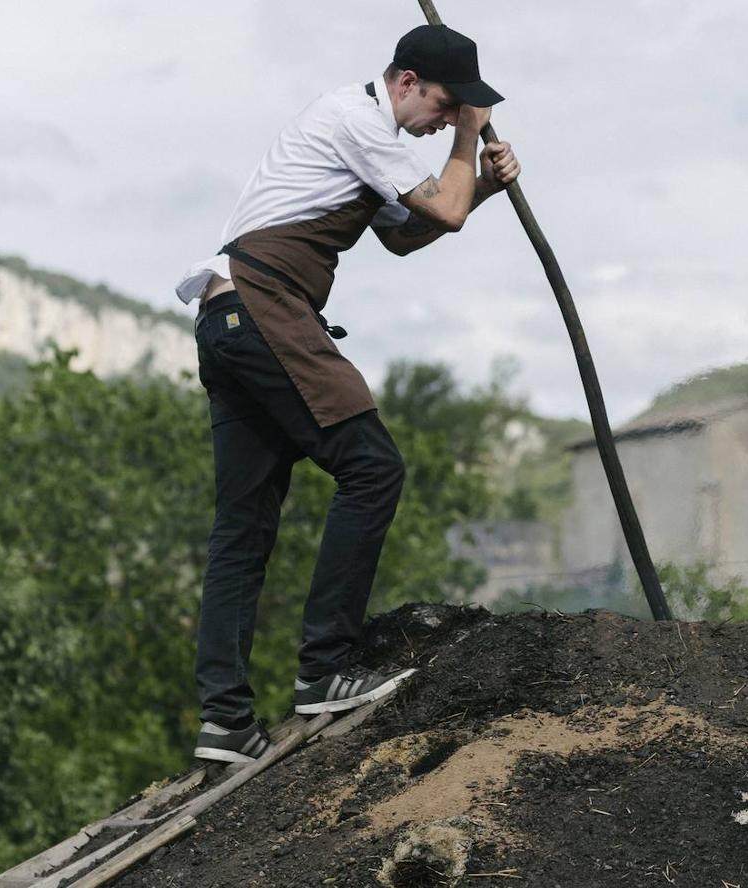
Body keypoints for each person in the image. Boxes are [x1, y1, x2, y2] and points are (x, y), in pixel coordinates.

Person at [174, 24, 519, 764]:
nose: (446, 119)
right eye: (445, 104)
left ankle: (225, 724)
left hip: (228, 318)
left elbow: (408, 232)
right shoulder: (355, 118)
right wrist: (471, 143)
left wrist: (485, 184)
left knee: (244, 527)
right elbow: (444, 209)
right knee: (373, 467)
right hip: (264, 305)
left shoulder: (366, 134)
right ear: (404, 82)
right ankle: (325, 667)